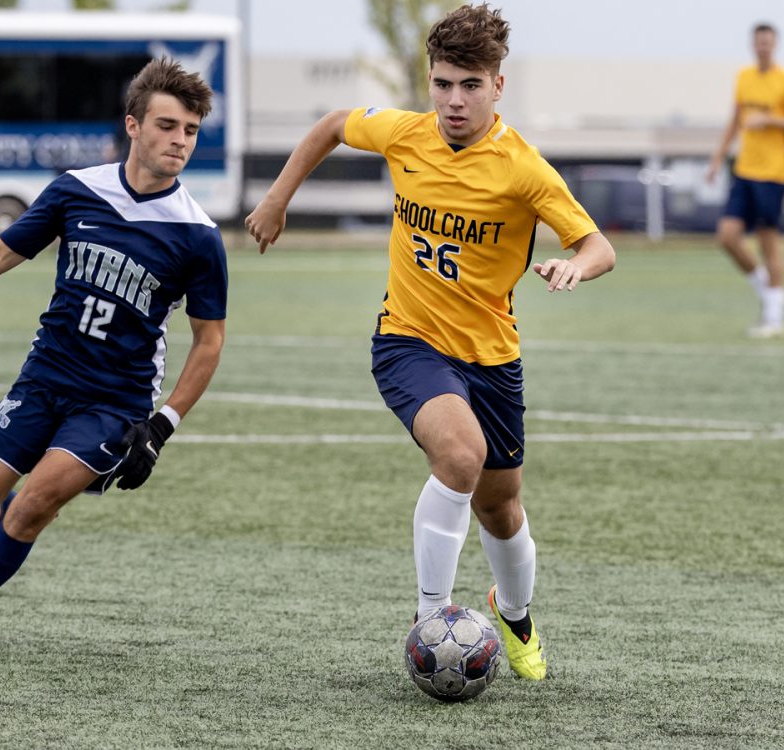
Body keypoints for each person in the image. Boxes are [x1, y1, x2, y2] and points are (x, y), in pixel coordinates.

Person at [244, 3, 614, 681]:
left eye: (470, 85)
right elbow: (331, 126)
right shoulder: (405, 135)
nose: (453, 100)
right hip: (407, 341)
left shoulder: (524, 169)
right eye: (443, 83)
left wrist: (574, 265)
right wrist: (277, 198)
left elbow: (598, 245)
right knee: (460, 455)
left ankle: (515, 610)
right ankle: (430, 620)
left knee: (501, 506)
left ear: (497, 86)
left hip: (492, 358)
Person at [0, 58, 228, 658]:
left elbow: (209, 340)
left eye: (191, 130)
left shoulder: (197, 234)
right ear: (133, 125)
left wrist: (161, 424)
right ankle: (21, 526)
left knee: (35, 503)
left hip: (115, 403)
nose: (180, 141)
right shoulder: (77, 189)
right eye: (168, 125)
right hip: (43, 378)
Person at [708, 23, 784, 338]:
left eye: (768, 42)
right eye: (758, 42)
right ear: (753, 44)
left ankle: (774, 317)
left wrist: (769, 119)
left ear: (774, 44)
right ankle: (768, 289)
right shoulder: (744, 77)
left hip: (773, 174)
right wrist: (717, 158)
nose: (763, 47)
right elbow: (734, 121)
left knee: (769, 243)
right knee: (727, 236)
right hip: (744, 170)